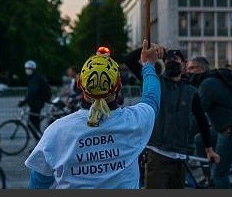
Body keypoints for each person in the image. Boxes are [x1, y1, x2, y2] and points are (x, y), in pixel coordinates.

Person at [25, 40, 162, 189]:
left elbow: (39, 182)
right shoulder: (135, 122)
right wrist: (148, 65)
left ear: (79, 84)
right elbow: (151, 98)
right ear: (119, 86)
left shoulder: (56, 131)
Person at [123, 46, 219, 188]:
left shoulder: (191, 91)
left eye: (176, 59)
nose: (171, 62)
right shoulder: (155, 83)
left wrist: (209, 148)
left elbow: (201, 119)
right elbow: (129, 60)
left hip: (180, 158)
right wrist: (153, 47)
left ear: (184, 64)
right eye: (168, 60)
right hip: (157, 155)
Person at [186, 56, 232, 189]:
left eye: (191, 68)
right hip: (231, 127)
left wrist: (182, 132)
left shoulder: (208, 85)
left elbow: (198, 115)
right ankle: (208, 178)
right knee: (200, 140)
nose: (187, 71)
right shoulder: (212, 79)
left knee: (219, 174)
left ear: (200, 69)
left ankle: (215, 177)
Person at [18, 60, 51, 137]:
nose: (27, 70)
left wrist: (24, 101)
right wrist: (25, 100)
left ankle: (39, 139)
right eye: (26, 68)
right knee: (34, 123)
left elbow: (33, 92)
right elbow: (30, 92)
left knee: (32, 124)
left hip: (37, 103)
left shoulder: (35, 78)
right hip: (36, 102)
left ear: (33, 69)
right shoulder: (34, 77)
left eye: (29, 68)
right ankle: (39, 139)